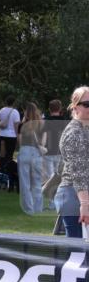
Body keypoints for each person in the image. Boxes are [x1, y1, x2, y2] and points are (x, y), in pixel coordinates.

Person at [54, 86, 89, 239]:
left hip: (78, 196)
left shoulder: (84, 128)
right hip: (76, 197)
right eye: (87, 104)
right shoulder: (74, 132)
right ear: (75, 106)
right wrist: (85, 204)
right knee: (78, 256)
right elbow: (78, 172)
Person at [16, 102, 46, 214]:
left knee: (25, 183)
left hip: (24, 151)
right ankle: (38, 209)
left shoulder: (21, 125)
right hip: (36, 153)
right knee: (37, 183)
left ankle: (28, 209)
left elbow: (19, 142)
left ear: (26, 112)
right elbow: (43, 142)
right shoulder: (41, 124)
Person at [43, 99, 67, 210]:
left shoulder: (46, 121)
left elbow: (43, 136)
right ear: (60, 108)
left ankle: (52, 201)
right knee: (57, 177)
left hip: (48, 151)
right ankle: (55, 201)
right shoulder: (65, 121)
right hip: (60, 151)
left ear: (49, 109)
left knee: (49, 176)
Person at [0, 96, 21, 168]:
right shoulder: (15, 112)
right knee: (9, 155)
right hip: (11, 136)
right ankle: (8, 172)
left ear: (6, 102)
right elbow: (16, 126)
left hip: (1, 135)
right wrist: (17, 136)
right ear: (13, 103)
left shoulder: (1, 110)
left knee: (2, 155)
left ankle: (1, 170)